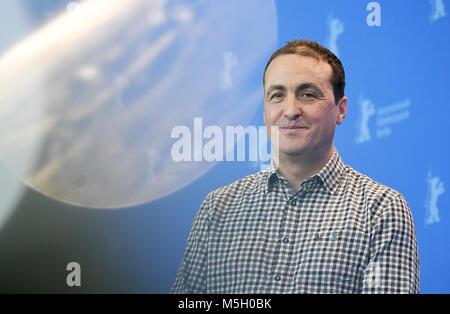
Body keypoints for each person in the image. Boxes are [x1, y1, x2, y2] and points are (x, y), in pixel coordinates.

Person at [171, 39, 419, 294]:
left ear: (341, 110)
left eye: (308, 94)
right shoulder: (218, 208)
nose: (290, 110)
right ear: (265, 108)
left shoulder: (381, 209)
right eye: (277, 95)